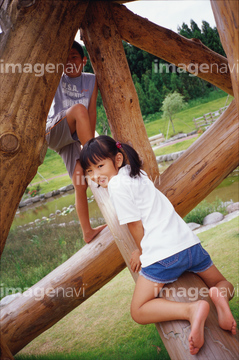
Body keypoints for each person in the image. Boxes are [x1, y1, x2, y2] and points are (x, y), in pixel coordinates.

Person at [79, 135, 237, 355]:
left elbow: (135, 225)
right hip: (190, 246)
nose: (96, 176)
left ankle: (191, 310)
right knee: (222, 282)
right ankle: (220, 297)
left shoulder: (116, 185)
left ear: (117, 159)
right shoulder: (137, 173)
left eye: (100, 166)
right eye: (90, 171)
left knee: (139, 310)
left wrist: (141, 252)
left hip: (165, 257)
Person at [45, 41, 106, 243]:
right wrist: (91, 152)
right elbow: (82, 111)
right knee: (78, 109)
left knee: (80, 182)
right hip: (53, 130)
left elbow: (91, 113)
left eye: (74, 57)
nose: (70, 62)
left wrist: (86, 143)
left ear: (84, 61)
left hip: (70, 138)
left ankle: (87, 232)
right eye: (65, 59)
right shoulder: (56, 78)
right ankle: (92, 160)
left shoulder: (91, 80)